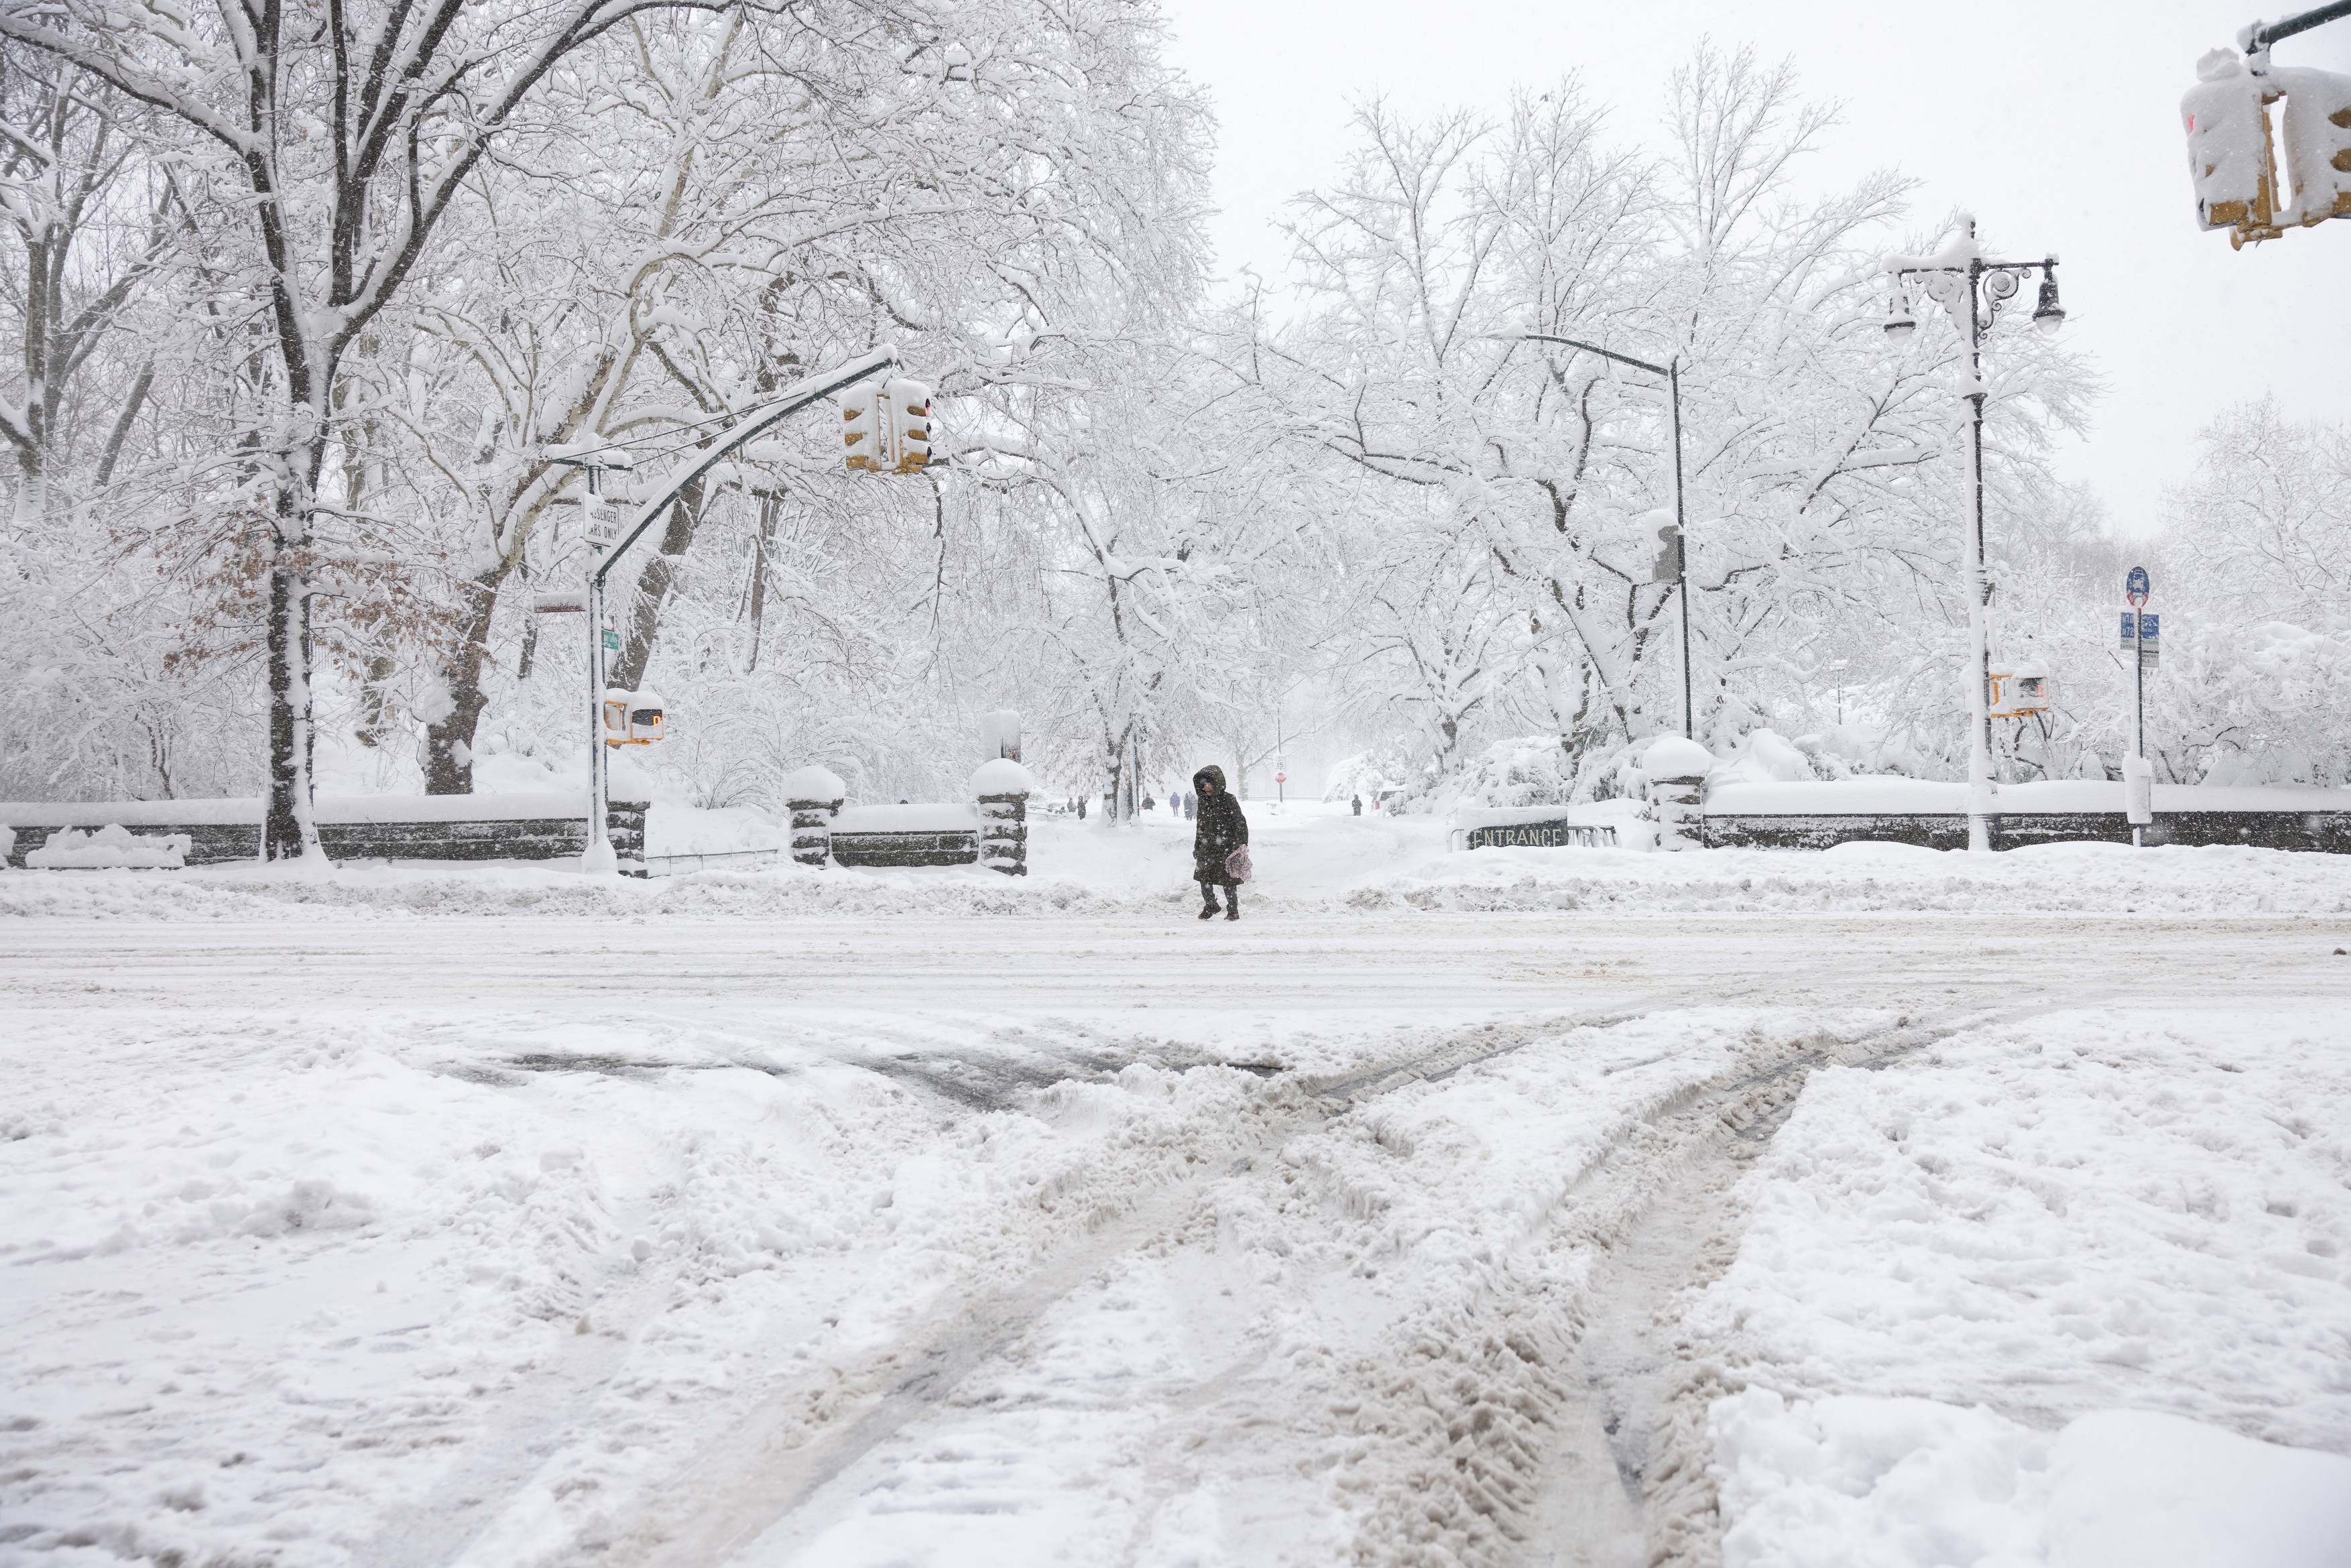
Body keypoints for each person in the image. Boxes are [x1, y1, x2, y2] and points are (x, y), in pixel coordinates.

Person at [1191, 764, 1248, 920]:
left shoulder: (1228, 800)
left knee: (1228, 882)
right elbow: (1200, 825)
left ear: (1216, 783)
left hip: (1226, 847)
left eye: (1208, 783)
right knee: (1204, 879)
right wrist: (1197, 845)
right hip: (1206, 847)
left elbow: (1240, 822)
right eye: (1203, 784)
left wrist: (1243, 844)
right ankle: (1211, 906)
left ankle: (1233, 911)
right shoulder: (1202, 801)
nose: (1205, 787)